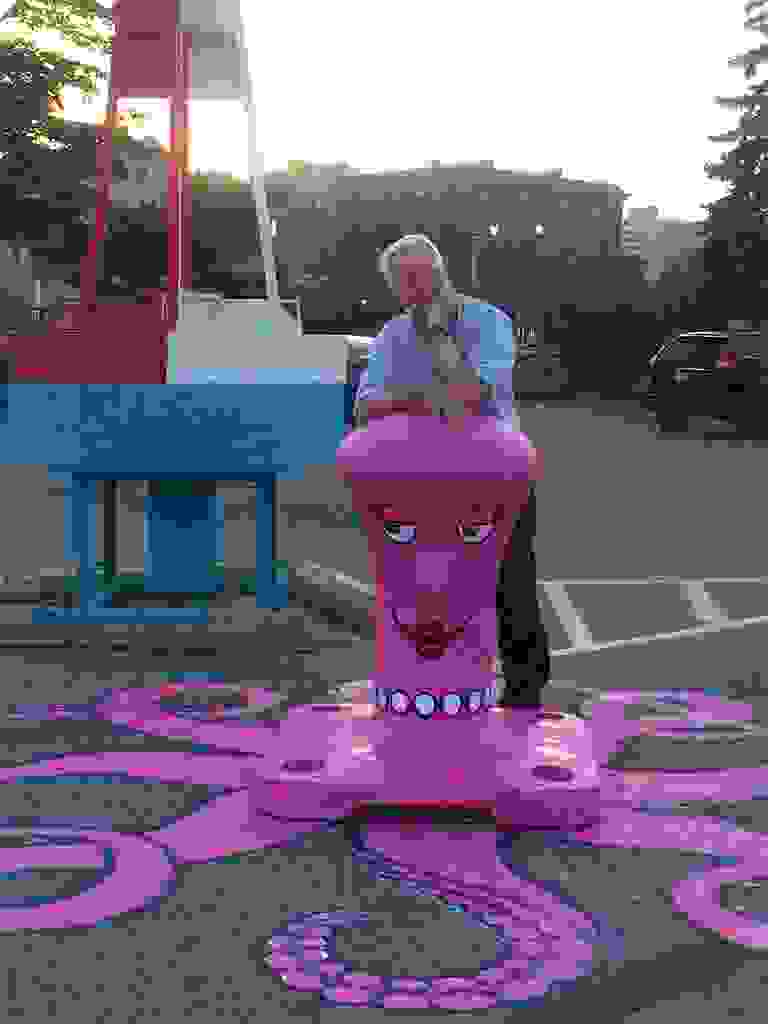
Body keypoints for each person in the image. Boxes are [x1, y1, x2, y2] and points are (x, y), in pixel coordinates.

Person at [353, 234, 550, 709]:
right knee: (426, 586)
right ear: (395, 288)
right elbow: (364, 409)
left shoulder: (488, 322)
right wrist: (428, 398)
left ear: (442, 273)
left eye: (424, 277)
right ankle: (433, 687)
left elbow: (473, 397)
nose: (417, 290)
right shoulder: (392, 336)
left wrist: (440, 336)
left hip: (494, 476)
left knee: (509, 582)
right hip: (417, 482)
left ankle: (525, 690)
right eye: (405, 282)